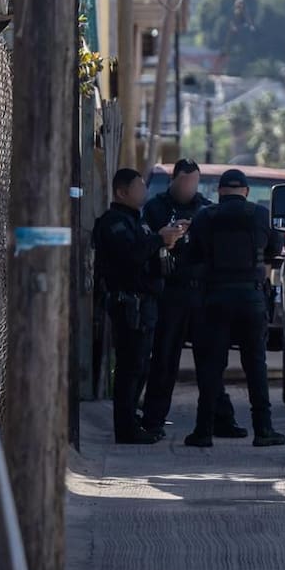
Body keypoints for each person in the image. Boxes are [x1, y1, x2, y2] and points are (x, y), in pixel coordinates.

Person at [140, 159, 245, 440]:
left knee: (209, 361)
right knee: (164, 359)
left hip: (201, 292)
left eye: (194, 182)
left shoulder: (206, 209)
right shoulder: (155, 208)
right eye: (185, 182)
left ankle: (221, 419)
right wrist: (169, 235)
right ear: (174, 180)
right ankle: (153, 421)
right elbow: (147, 244)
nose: (189, 188)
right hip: (171, 291)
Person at [182, 169, 285, 448]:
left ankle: (203, 431)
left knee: (211, 368)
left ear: (219, 191)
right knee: (255, 366)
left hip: (214, 299)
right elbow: (275, 248)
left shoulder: (205, 216)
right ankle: (263, 430)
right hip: (250, 300)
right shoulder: (259, 215)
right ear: (246, 191)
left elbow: (190, 257)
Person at [93, 168, 185, 444]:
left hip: (146, 304)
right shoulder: (113, 223)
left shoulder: (138, 222)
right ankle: (126, 428)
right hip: (128, 304)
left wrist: (168, 240)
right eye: (138, 187)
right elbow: (130, 257)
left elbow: (149, 256)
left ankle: (134, 423)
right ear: (122, 192)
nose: (143, 191)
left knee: (142, 366)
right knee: (130, 368)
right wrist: (159, 239)